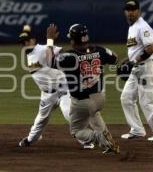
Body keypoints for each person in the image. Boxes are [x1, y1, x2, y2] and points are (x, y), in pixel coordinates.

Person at [46, 23, 120, 154]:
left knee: (77, 131)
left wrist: (50, 40)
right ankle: (108, 142)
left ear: (74, 40)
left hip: (81, 101)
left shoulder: (70, 56)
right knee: (94, 113)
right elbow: (115, 58)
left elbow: (49, 62)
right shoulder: (100, 50)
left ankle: (100, 138)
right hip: (99, 98)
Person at [17, 25, 77, 147]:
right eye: (23, 43)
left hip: (62, 90)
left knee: (69, 114)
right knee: (40, 120)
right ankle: (30, 139)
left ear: (33, 40)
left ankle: (87, 140)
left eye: (27, 41)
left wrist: (51, 41)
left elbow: (60, 51)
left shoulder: (42, 49)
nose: (24, 44)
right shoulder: (29, 54)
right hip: (47, 94)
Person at [120, 0, 153, 142]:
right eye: (128, 10)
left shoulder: (143, 27)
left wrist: (134, 61)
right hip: (136, 67)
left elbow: (151, 48)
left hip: (147, 67)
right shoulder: (132, 27)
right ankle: (137, 130)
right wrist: (128, 59)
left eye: (133, 9)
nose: (130, 12)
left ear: (139, 11)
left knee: (146, 101)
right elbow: (137, 49)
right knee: (126, 98)